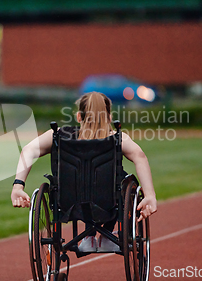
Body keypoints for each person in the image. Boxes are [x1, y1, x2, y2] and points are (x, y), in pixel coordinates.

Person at [10, 91, 157, 252]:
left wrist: (18, 186)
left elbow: (28, 151)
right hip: (109, 202)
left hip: (67, 203)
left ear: (79, 117)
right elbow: (140, 157)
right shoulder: (118, 138)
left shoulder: (59, 136)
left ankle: (89, 238)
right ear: (109, 117)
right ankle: (107, 235)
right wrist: (150, 195)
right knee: (124, 181)